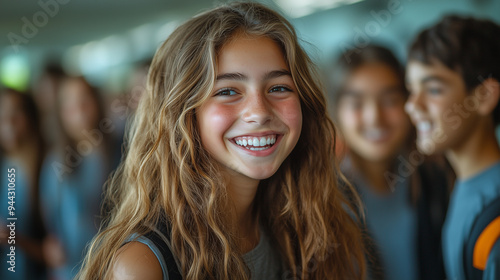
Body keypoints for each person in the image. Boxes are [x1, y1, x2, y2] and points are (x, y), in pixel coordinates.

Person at [77, 2, 367, 280]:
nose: (259, 112)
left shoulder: (306, 226)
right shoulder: (144, 264)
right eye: (228, 91)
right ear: (184, 113)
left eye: (279, 87)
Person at [329, 45, 449, 280]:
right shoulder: (324, 199)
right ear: (337, 113)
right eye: (356, 103)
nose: (375, 117)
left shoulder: (439, 179)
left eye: (390, 100)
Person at [405, 15, 500, 280]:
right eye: (411, 89)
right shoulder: (465, 187)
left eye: (433, 90)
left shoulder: (494, 220)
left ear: (483, 96)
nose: (412, 106)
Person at [39, 77, 114, 279]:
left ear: (96, 102)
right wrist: (51, 243)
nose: (79, 108)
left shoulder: (121, 151)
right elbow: (50, 218)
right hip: (71, 269)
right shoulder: (54, 164)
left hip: (115, 264)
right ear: (61, 113)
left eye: (84, 99)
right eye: (69, 102)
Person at [0, 89, 47, 279]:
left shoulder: (50, 167)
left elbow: (57, 251)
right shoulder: (5, 166)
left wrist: (13, 238)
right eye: (1, 114)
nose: (8, 121)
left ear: (31, 116)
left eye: (16, 112)